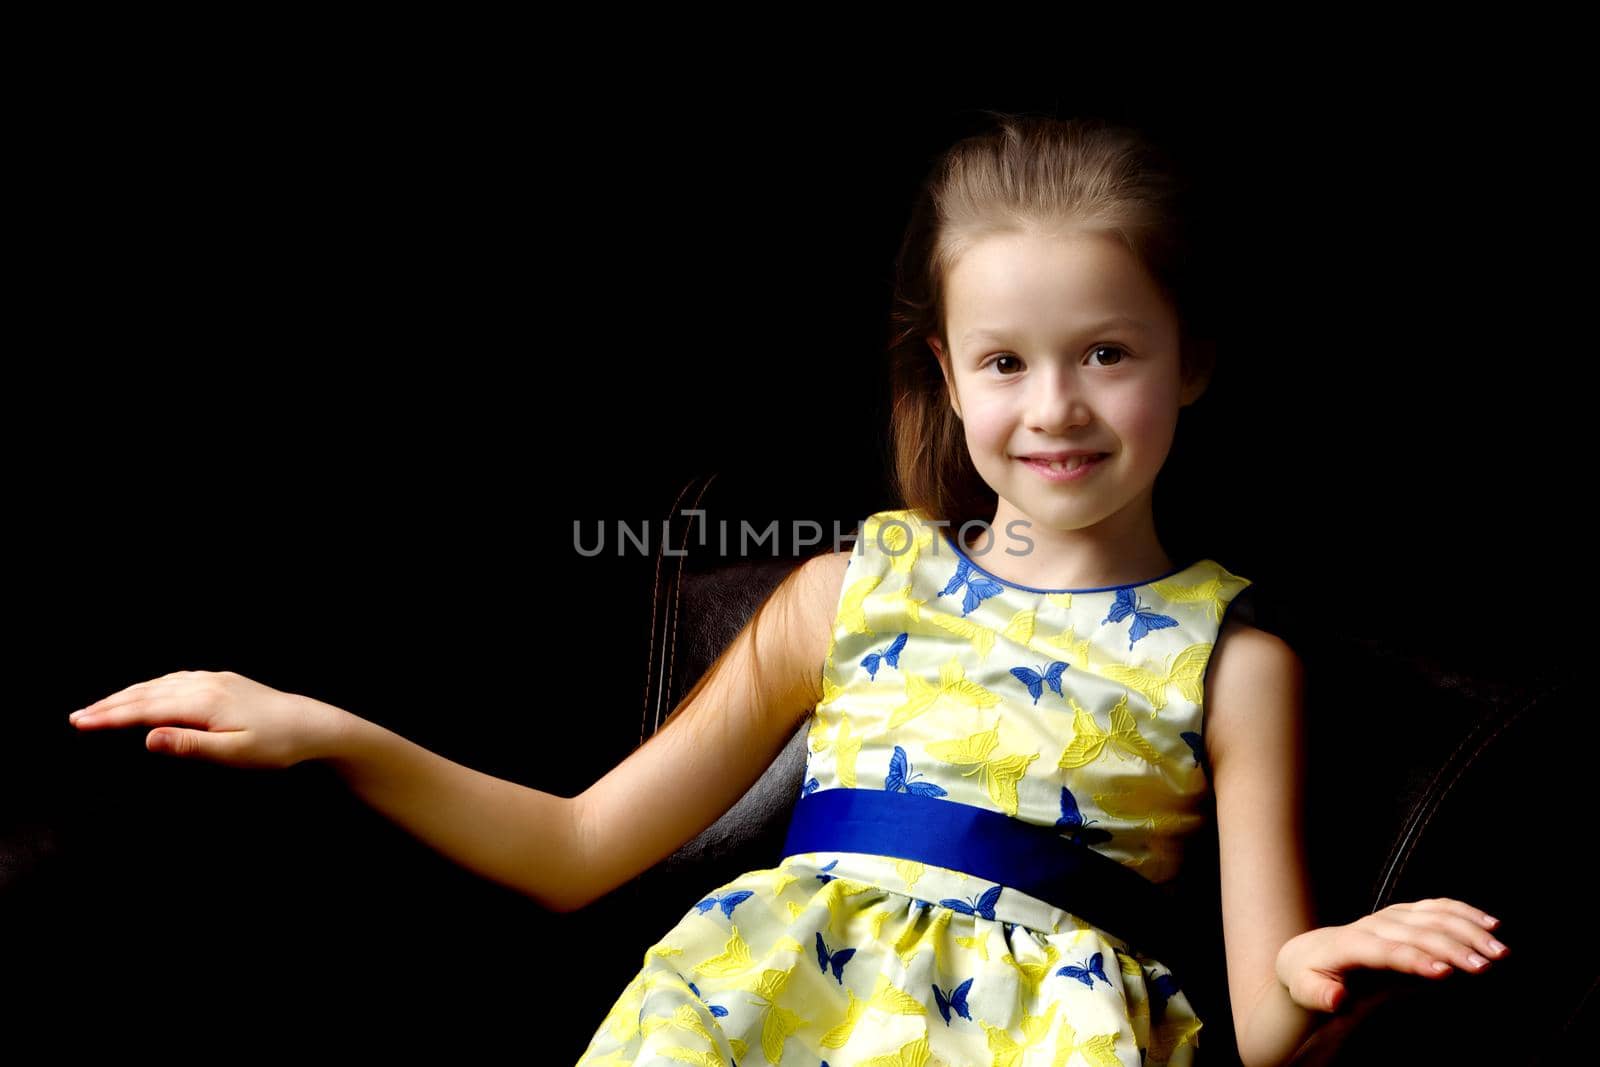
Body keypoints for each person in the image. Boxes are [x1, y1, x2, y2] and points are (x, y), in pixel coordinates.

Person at [67, 112, 1511, 1067]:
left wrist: (1324, 962)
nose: (1056, 406)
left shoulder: (1232, 657)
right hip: (763, 1017)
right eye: (1005, 360)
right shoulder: (848, 592)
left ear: (1189, 361)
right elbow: (576, 849)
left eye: (1109, 353)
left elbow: (1257, 1016)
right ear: (945, 373)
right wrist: (331, 731)